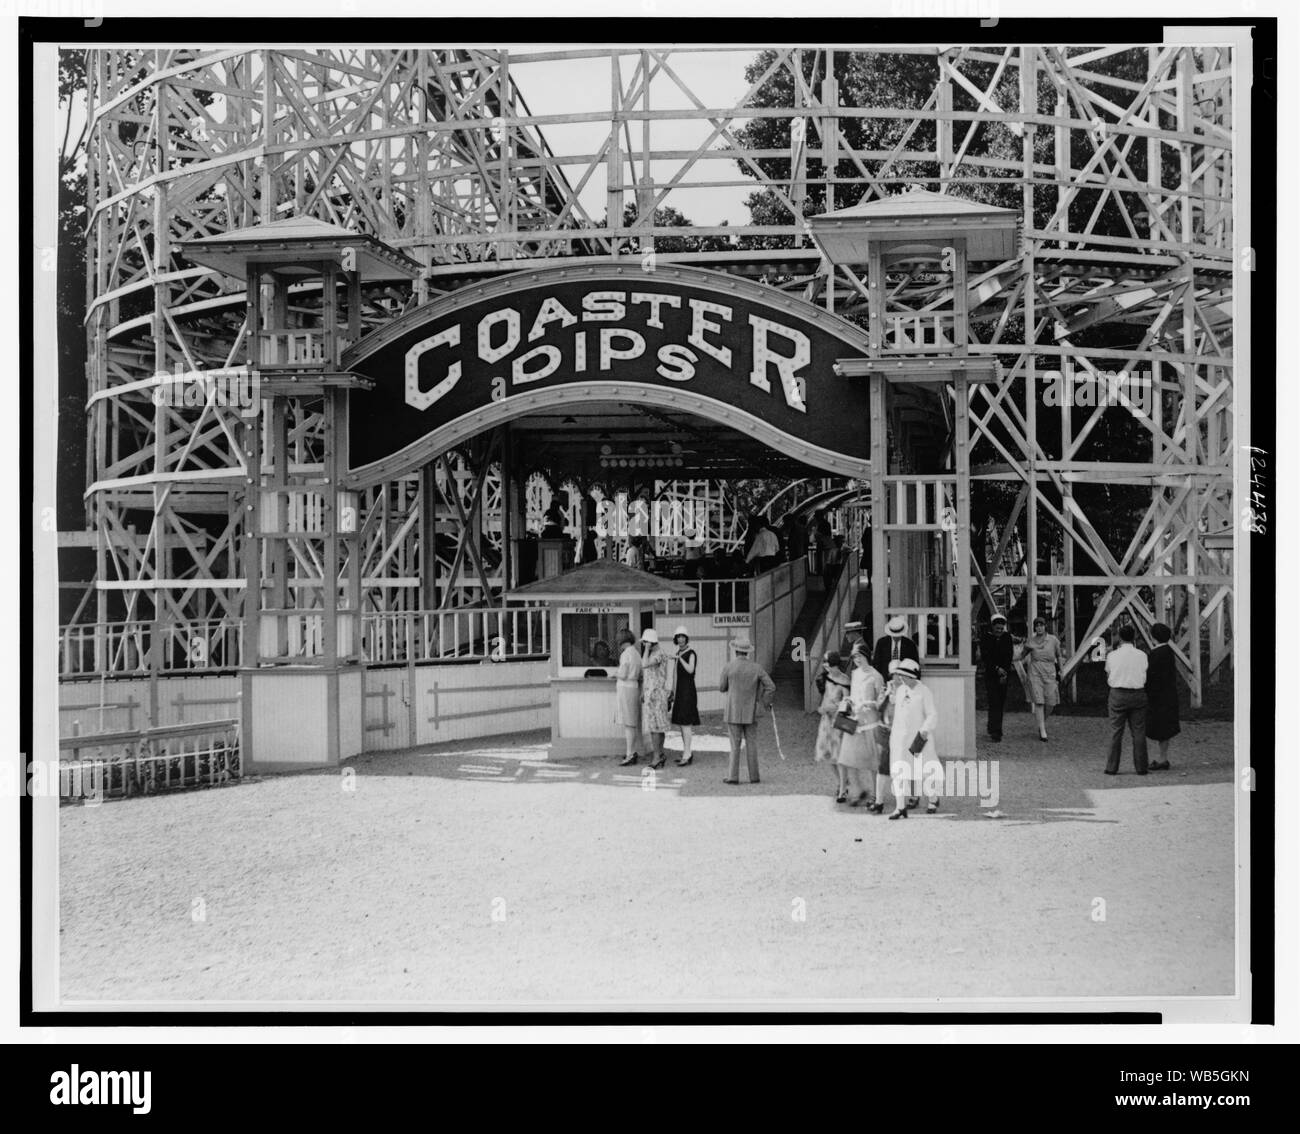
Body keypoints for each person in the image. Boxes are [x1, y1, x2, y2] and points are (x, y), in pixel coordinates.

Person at [886, 657, 942, 818]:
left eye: (903, 675)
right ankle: (900, 807)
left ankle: (933, 798)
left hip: (918, 738)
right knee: (898, 771)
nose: (900, 678)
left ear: (912, 676)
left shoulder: (924, 691)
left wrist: (925, 730)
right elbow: (897, 709)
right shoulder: (901, 689)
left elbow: (932, 714)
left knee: (924, 771)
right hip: (900, 737)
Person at [717, 635, 775, 785]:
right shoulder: (756, 668)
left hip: (733, 711)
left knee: (734, 745)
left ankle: (733, 776)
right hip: (752, 711)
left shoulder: (729, 666)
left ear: (736, 651)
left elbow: (722, 687)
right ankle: (754, 776)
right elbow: (771, 687)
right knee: (752, 744)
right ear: (747, 652)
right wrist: (765, 702)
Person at [838, 643, 888, 807]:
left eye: (859, 656)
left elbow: (882, 702)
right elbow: (853, 695)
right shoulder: (854, 674)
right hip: (854, 722)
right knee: (849, 758)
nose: (857, 660)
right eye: (854, 657)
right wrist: (848, 702)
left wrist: (869, 704)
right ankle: (857, 791)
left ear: (867, 655)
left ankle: (875, 794)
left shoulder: (876, 676)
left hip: (870, 723)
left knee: (873, 762)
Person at [1104, 623, 1149, 776]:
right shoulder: (1142, 655)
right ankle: (1141, 767)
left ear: (1120, 638)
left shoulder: (1112, 655)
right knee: (1138, 731)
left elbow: (1108, 673)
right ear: (1134, 637)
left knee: (1116, 731)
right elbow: (1144, 673)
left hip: (1118, 694)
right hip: (1138, 693)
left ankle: (1111, 767)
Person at [814, 651, 851, 798]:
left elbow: (848, 702)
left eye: (830, 666)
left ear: (836, 665)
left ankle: (842, 789)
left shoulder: (844, 680)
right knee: (828, 755)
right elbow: (823, 698)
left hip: (839, 720)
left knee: (839, 755)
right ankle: (841, 782)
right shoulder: (824, 679)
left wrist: (838, 707)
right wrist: (821, 708)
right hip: (826, 720)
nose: (827, 669)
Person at [1018, 617, 1062, 742]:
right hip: (1035, 672)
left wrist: (1061, 670)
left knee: (1051, 702)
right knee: (1039, 701)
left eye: (1041, 625)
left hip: (1050, 672)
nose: (1039, 627)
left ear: (1045, 626)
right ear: (1034, 627)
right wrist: (1011, 656)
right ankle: (1042, 730)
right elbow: (1022, 655)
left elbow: (1058, 656)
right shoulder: (1030, 641)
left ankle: (1041, 722)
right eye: (1037, 625)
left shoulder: (1053, 640)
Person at [1145, 622, 1180, 770]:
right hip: (1169, 694)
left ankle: (1162, 759)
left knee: (1159, 728)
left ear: (1153, 637)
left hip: (1157, 696)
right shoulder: (1168, 651)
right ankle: (1163, 757)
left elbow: (1151, 676)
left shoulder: (1155, 654)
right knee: (1164, 729)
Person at [978, 613, 1014, 742]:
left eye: (1001, 628)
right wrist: (996, 669)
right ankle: (995, 730)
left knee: (1001, 702)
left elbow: (1009, 654)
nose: (999, 631)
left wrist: (1004, 671)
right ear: (992, 627)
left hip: (1004, 675)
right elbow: (985, 657)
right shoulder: (986, 638)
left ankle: (996, 727)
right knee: (993, 702)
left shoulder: (1007, 637)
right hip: (991, 675)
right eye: (997, 628)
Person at [668, 626, 701, 766]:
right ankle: (686, 752)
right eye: (678, 637)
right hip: (680, 691)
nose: (680, 639)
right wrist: (672, 691)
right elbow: (675, 675)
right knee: (682, 724)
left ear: (686, 638)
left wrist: (679, 658)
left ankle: (687, 754)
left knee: (686, 723)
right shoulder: (678, 653)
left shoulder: (690, 653)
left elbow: (690, 669)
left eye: (682, 636)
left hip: (688, 691)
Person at [639, 628, 671, 770]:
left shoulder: (659, 654)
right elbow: (648, 674)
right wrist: (643, 691)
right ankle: (660, 754)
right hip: (651, 694)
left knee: (656, 728)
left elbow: (644, 664)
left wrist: (646, 650)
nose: (644, 644)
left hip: (657, 695)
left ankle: (657, 756)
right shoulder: (655, 653)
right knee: (656, 727)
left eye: (645, 642)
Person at [614, 628, 643, 766]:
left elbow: (623, 674)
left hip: (625, 688)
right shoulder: (636, 653)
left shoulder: (625, 654)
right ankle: (632, 751)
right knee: (632, 723)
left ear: (621, 640)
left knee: (628, 724)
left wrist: (615, 673)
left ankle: (630, 753)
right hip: (634, 688)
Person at [871, 615, 919, 682]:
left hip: (904, 680)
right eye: (893, 635)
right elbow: (877, 664)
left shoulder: (910, 645)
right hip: (885, 679)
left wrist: (915, 683)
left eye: (898, 635)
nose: (896, 637)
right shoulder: (882, 643)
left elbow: (915, 665)